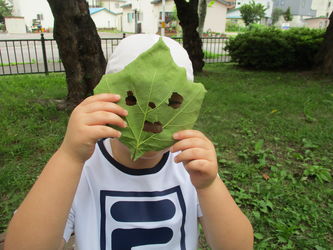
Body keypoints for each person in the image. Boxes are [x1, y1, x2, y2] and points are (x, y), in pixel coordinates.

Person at [4, 34, 253, 250]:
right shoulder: (80, 170)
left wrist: (208, 186)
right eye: (132, 98)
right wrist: (68, 157)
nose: (150, 113)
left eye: (172, 103)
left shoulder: (191, 169)